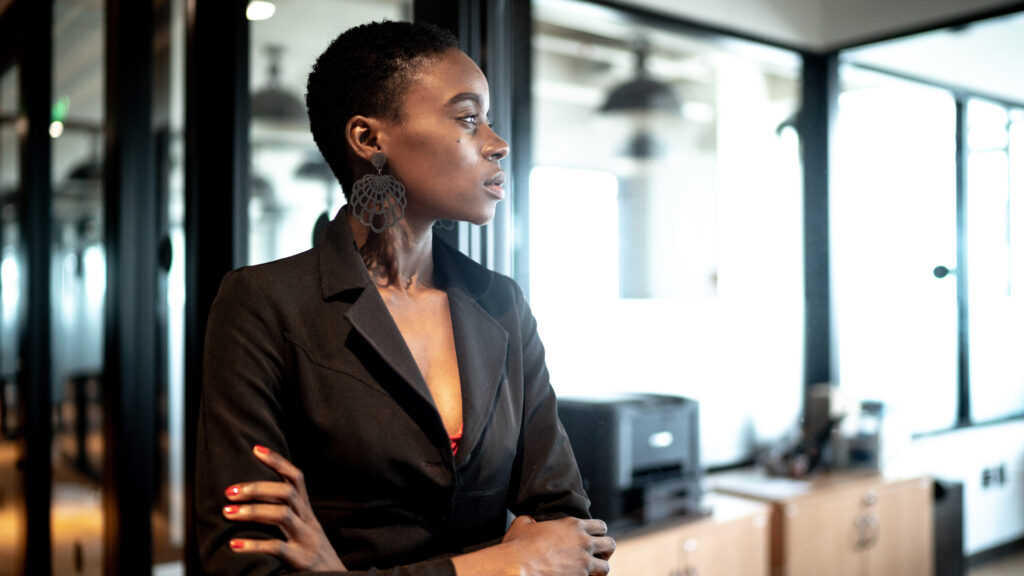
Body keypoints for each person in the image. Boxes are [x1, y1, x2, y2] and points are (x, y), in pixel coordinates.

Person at [195, 20, 615, 576]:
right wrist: (497, 566)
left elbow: (575, 537)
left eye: (487, 119)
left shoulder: (502, 304)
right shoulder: (263, 304)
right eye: (468, 118)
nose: (497, 143)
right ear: (370, 140)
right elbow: (243, 563)